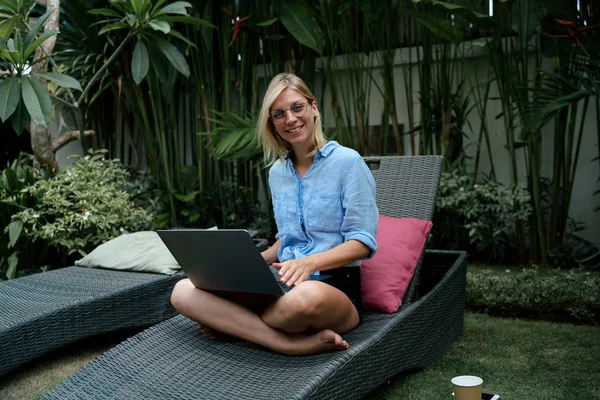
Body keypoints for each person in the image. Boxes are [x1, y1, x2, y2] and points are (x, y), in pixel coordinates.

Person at [170, 72, 378, 356]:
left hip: (332, 288)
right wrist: (257, 259)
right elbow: (288, 238)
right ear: (273, 123)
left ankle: (232, 324)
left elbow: (363, 243)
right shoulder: (277, 173)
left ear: (313, 107)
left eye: (297, 107)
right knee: (182, 291)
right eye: (279, 114)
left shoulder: (349, 163)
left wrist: (309, 262)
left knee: (302, 300)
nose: (290, 119)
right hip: (280, 286)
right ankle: (287, 343)